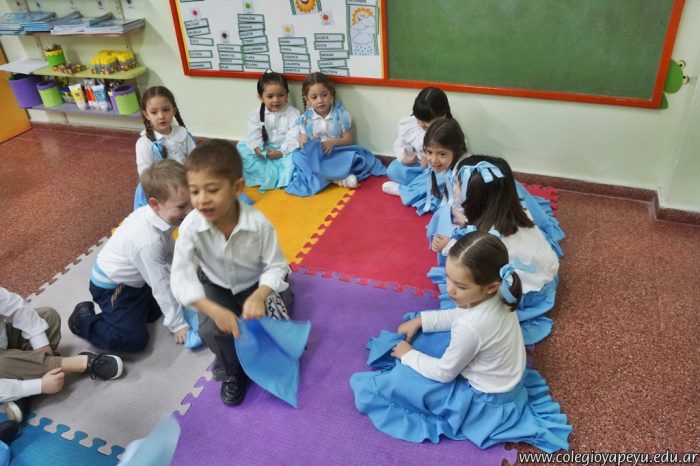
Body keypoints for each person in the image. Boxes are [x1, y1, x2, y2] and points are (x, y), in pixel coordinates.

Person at [350, 232, 571, 453]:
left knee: (396, 382)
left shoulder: (472, 326)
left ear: (490, 286)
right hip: (505, 381)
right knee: (424, 331)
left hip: (485, 402)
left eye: (461, 286)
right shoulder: (500, 291)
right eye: (448, 277)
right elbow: (460, 314)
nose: (450, 289)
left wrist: (407, 354)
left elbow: (444, 372)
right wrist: (422, 320)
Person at [170, 139, 293, 406]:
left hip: (253, 281)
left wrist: (260, 295)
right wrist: (213, 310)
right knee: (211, 328)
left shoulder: (258, 224)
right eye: (194, 191)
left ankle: (281, 297)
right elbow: (180, 277)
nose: (202, 200)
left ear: (237, 188)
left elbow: (276, 265)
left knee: (277, 328)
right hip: (215, 282)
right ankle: (232, 372)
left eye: (212, 190)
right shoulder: (191, 227)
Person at [429, 155, 562, 344]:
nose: (454, 188)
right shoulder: (514, 210)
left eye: (457, 184)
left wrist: (448, 246)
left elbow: (475, 261)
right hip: (545, 274)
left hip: (530, 293)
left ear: (474, 196)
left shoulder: (492, 236)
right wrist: (464, 220)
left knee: (469, 287)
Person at [69, 160, 192, 352]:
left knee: (157, 310)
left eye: (191, 202)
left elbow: (169, 251)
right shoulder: (147, 242)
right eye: (182, 206)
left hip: (138, 279)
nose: (190, 211)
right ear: (155, 204)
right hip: (113, 288)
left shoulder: (158, 216)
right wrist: (177, 324)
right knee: (132, 339)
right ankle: (82, 320)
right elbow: (160, 284)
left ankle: (134, 309)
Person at [1, 287, 123, 424]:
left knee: (48, 315)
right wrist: (38, 385)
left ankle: (24, 388)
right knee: (2, 363)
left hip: (7, 344)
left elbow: (17, 307)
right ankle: (81, 363)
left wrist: (41, 345)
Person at [284, 72, 385, 197]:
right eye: (314, 97)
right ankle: (338, 179)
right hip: (316, 156)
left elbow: (348, 139)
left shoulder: (342, 116)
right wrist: (311, 145)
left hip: (336, 152)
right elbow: (303, 142)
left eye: (324, 95)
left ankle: (324, 177)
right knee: (298, 157)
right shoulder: (305, 119)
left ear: (331, 94)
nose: (320, 100)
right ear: (307, 100)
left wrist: (332, 143)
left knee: (354, 157)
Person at [382, 87, 454, 214]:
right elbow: (399, 145)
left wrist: (432, 163)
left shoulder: (450, 132)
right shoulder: (411, 125)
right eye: (418, 119)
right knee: (393, 169)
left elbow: (453, 162)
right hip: (418, 169)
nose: (421, 124)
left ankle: (406, 191)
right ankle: (423, 190)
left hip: (437, 171)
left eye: (427, 121)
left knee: (446, 178)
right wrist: (405, 158)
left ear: (442, 115)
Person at [236, 71, 301, 193]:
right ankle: (262, 176)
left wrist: (281, 152)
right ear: (261, 98)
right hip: (264, 149)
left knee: (297, 161)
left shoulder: (294, 114)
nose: (276, 100)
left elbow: (293, 138)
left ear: (287, 94)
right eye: (270, 97)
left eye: (281, 95)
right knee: (241, 155)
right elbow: (253, 135)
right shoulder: (255, 114)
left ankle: (281, 176)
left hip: (285, 151)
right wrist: (258, 149)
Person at [133, 86, 196, 210]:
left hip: (185, 184)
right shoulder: (144, 143)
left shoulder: (183, 134)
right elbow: (145, 175)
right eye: (154, 112)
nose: (161, 116)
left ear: (174, 110)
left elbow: (195, 161)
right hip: (160, 190)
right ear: (146, 115)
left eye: (166, 110)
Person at [422, 119, 470, 263]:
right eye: (429, 152)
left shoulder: (464, 175)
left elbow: (470, 215)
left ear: (456, 151)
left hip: (475, 218)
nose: (433, 160)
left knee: (442, 225)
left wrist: (456, 223)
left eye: (441, 154)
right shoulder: (453, 166)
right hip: (463, 209)